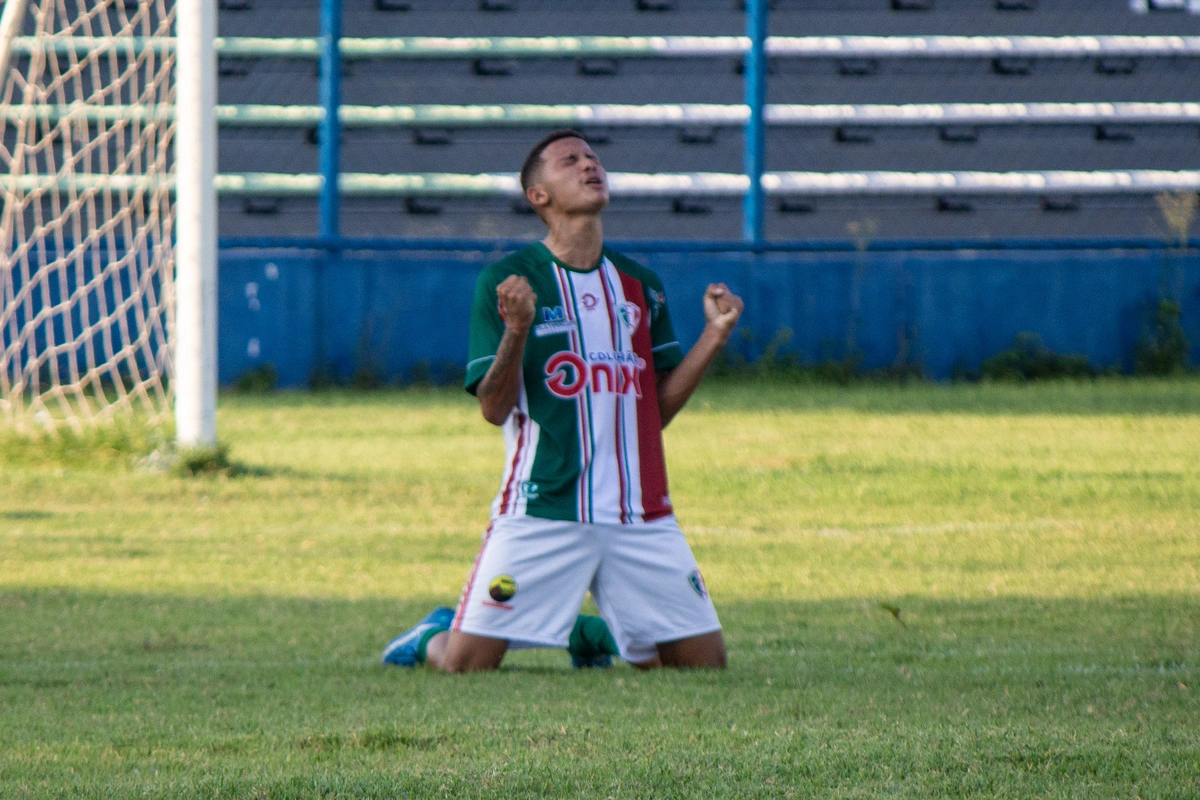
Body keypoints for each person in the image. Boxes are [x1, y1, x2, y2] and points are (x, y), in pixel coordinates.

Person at [382, 129, 744, 673]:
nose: (589, 165)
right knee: (464, 666)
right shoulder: (508, 282)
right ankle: (431, 633)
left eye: (593, 157)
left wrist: (713, 336)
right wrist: (518, 329)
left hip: (638, 512)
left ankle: (588, 634)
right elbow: (492, 408)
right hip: (544, 506)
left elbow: (654, 412)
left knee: (702, 667)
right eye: (569, 161)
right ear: (539, 196)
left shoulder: (640, 286)